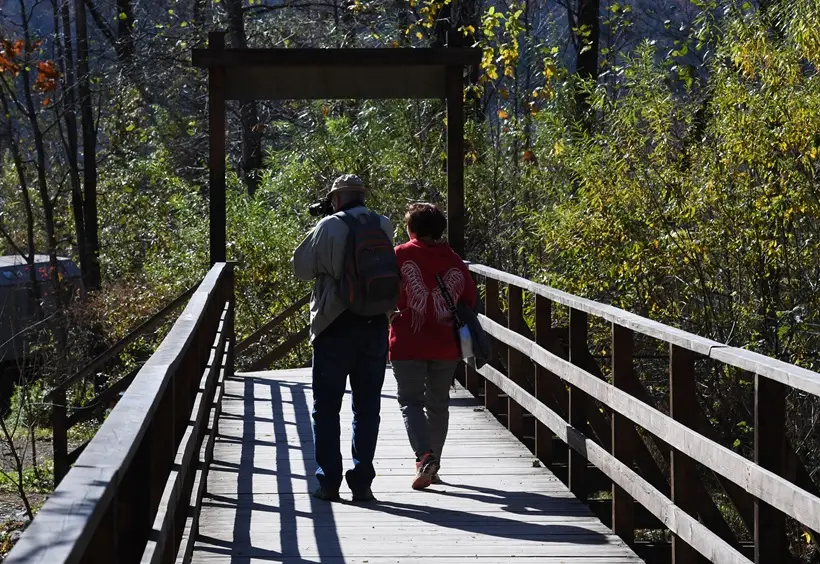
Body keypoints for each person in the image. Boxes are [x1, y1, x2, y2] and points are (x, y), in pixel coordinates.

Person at [292, 174, 395, 502]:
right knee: (367, 408)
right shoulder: (384, 224)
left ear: (336, 199)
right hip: (375, 324)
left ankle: (329, 482)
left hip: (334, 325)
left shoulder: (329, 226)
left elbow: (300, 268)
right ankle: (362, 482)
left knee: (326, 408)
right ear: (362, 196)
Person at [389, 203, 477, 490]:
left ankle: (425, 457)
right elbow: (469, 300)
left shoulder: (400, 254)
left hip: (408, 342)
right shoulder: (453, 259)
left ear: (411, 229)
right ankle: (433, 465)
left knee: (411, 402)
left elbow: (384, 290)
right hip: (445, 344)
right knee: (438, 406)